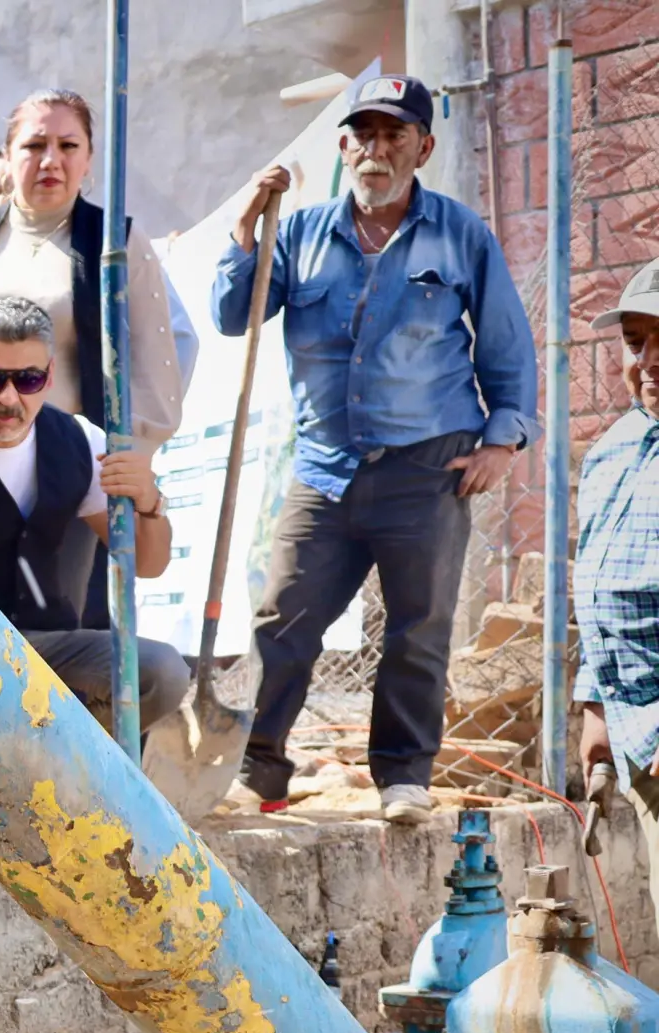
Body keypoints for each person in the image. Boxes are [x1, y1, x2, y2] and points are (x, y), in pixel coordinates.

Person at [217, 73, 536, 824]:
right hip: (325, 468)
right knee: (283, 620)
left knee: (417, 627)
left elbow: (507, 350)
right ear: (342, 145)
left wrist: (504, 439)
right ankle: (260, 769)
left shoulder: (460, 234)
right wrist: (243, 235)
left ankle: (402, 775)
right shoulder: (296, 234)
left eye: (395, 135)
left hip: (429, 465)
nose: (377, 149)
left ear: (422, 147)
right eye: (364, 134)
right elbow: (237, 317)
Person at [0, 296, 188, 737]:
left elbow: (149, 565)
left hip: (51, 647)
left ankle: (61, 763)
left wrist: (151, 502)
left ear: (50, 376)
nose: (7, 398)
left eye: (27, 379)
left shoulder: (81, 439)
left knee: (162, 672)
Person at [0, 88, 185, 441]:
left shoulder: (117, 242)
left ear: (89, 158)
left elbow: (154, 368)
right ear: (8, 155)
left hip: (75, 470)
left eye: (68, 146)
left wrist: (131, 458)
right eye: (34, 146)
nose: (50, 160)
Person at [571, 259, 659, 918]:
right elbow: (598, 584)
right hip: (641, 739)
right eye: (636, 340)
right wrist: (595, 711)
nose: (648, 360)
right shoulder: (611, 452)